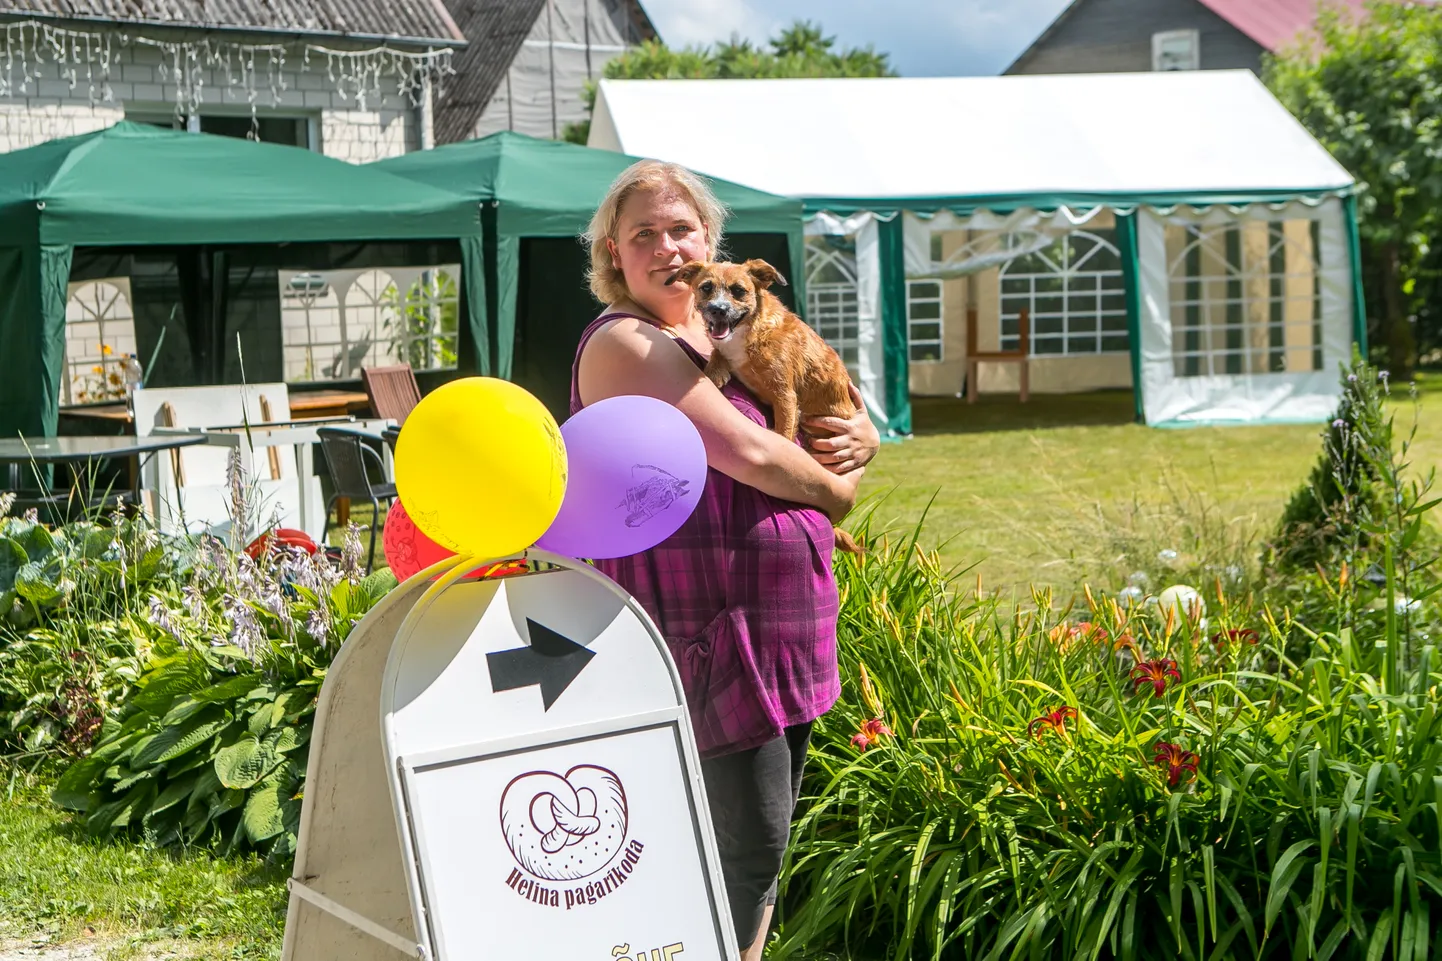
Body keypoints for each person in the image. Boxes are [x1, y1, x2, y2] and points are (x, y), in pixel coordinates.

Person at [573, 159, 880, 959]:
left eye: (683, 229)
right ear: (615, 252)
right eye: (646, 233)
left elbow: (814, 404)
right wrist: (836, 496)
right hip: (708, 632)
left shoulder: (716, 341)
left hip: (775, 630)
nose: (668, 247)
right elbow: (747, 450)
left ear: (709, 242)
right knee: (737, 842)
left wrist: (864, 433)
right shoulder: (629, 343)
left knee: (760, 846)